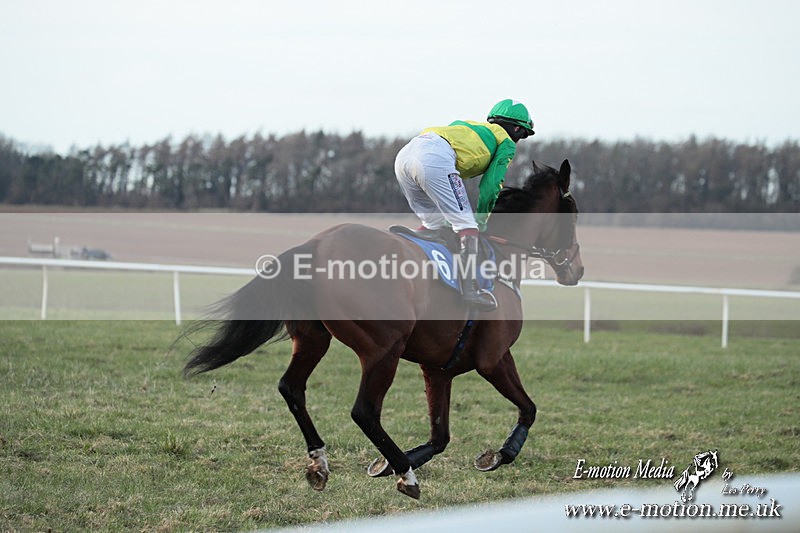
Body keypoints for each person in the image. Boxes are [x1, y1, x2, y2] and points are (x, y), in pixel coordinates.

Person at [394, 99, 535, 311]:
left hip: (405, 155)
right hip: (434, 159)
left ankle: (407, 258)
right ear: (516, 128)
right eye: (522, 135)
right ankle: (470, 290)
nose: (519, 140)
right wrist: (480, 222)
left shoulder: (469, 125)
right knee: (467, 225)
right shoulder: (505, 142)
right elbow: (490, 187)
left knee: (434, 222)